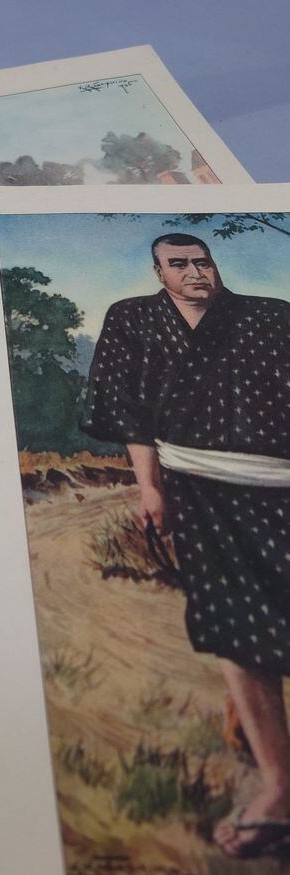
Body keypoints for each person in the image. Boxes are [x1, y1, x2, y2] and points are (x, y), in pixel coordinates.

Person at [81, 233, 290, 859]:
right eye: (180, 264)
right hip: (199, 491)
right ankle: (280, 788)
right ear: (158, 272)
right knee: (233, 628)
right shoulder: (133, 320)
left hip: (281, 483)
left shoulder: (270, 317)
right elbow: (131, 412)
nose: (196, 271)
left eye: (204, 261)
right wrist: (149, 487)